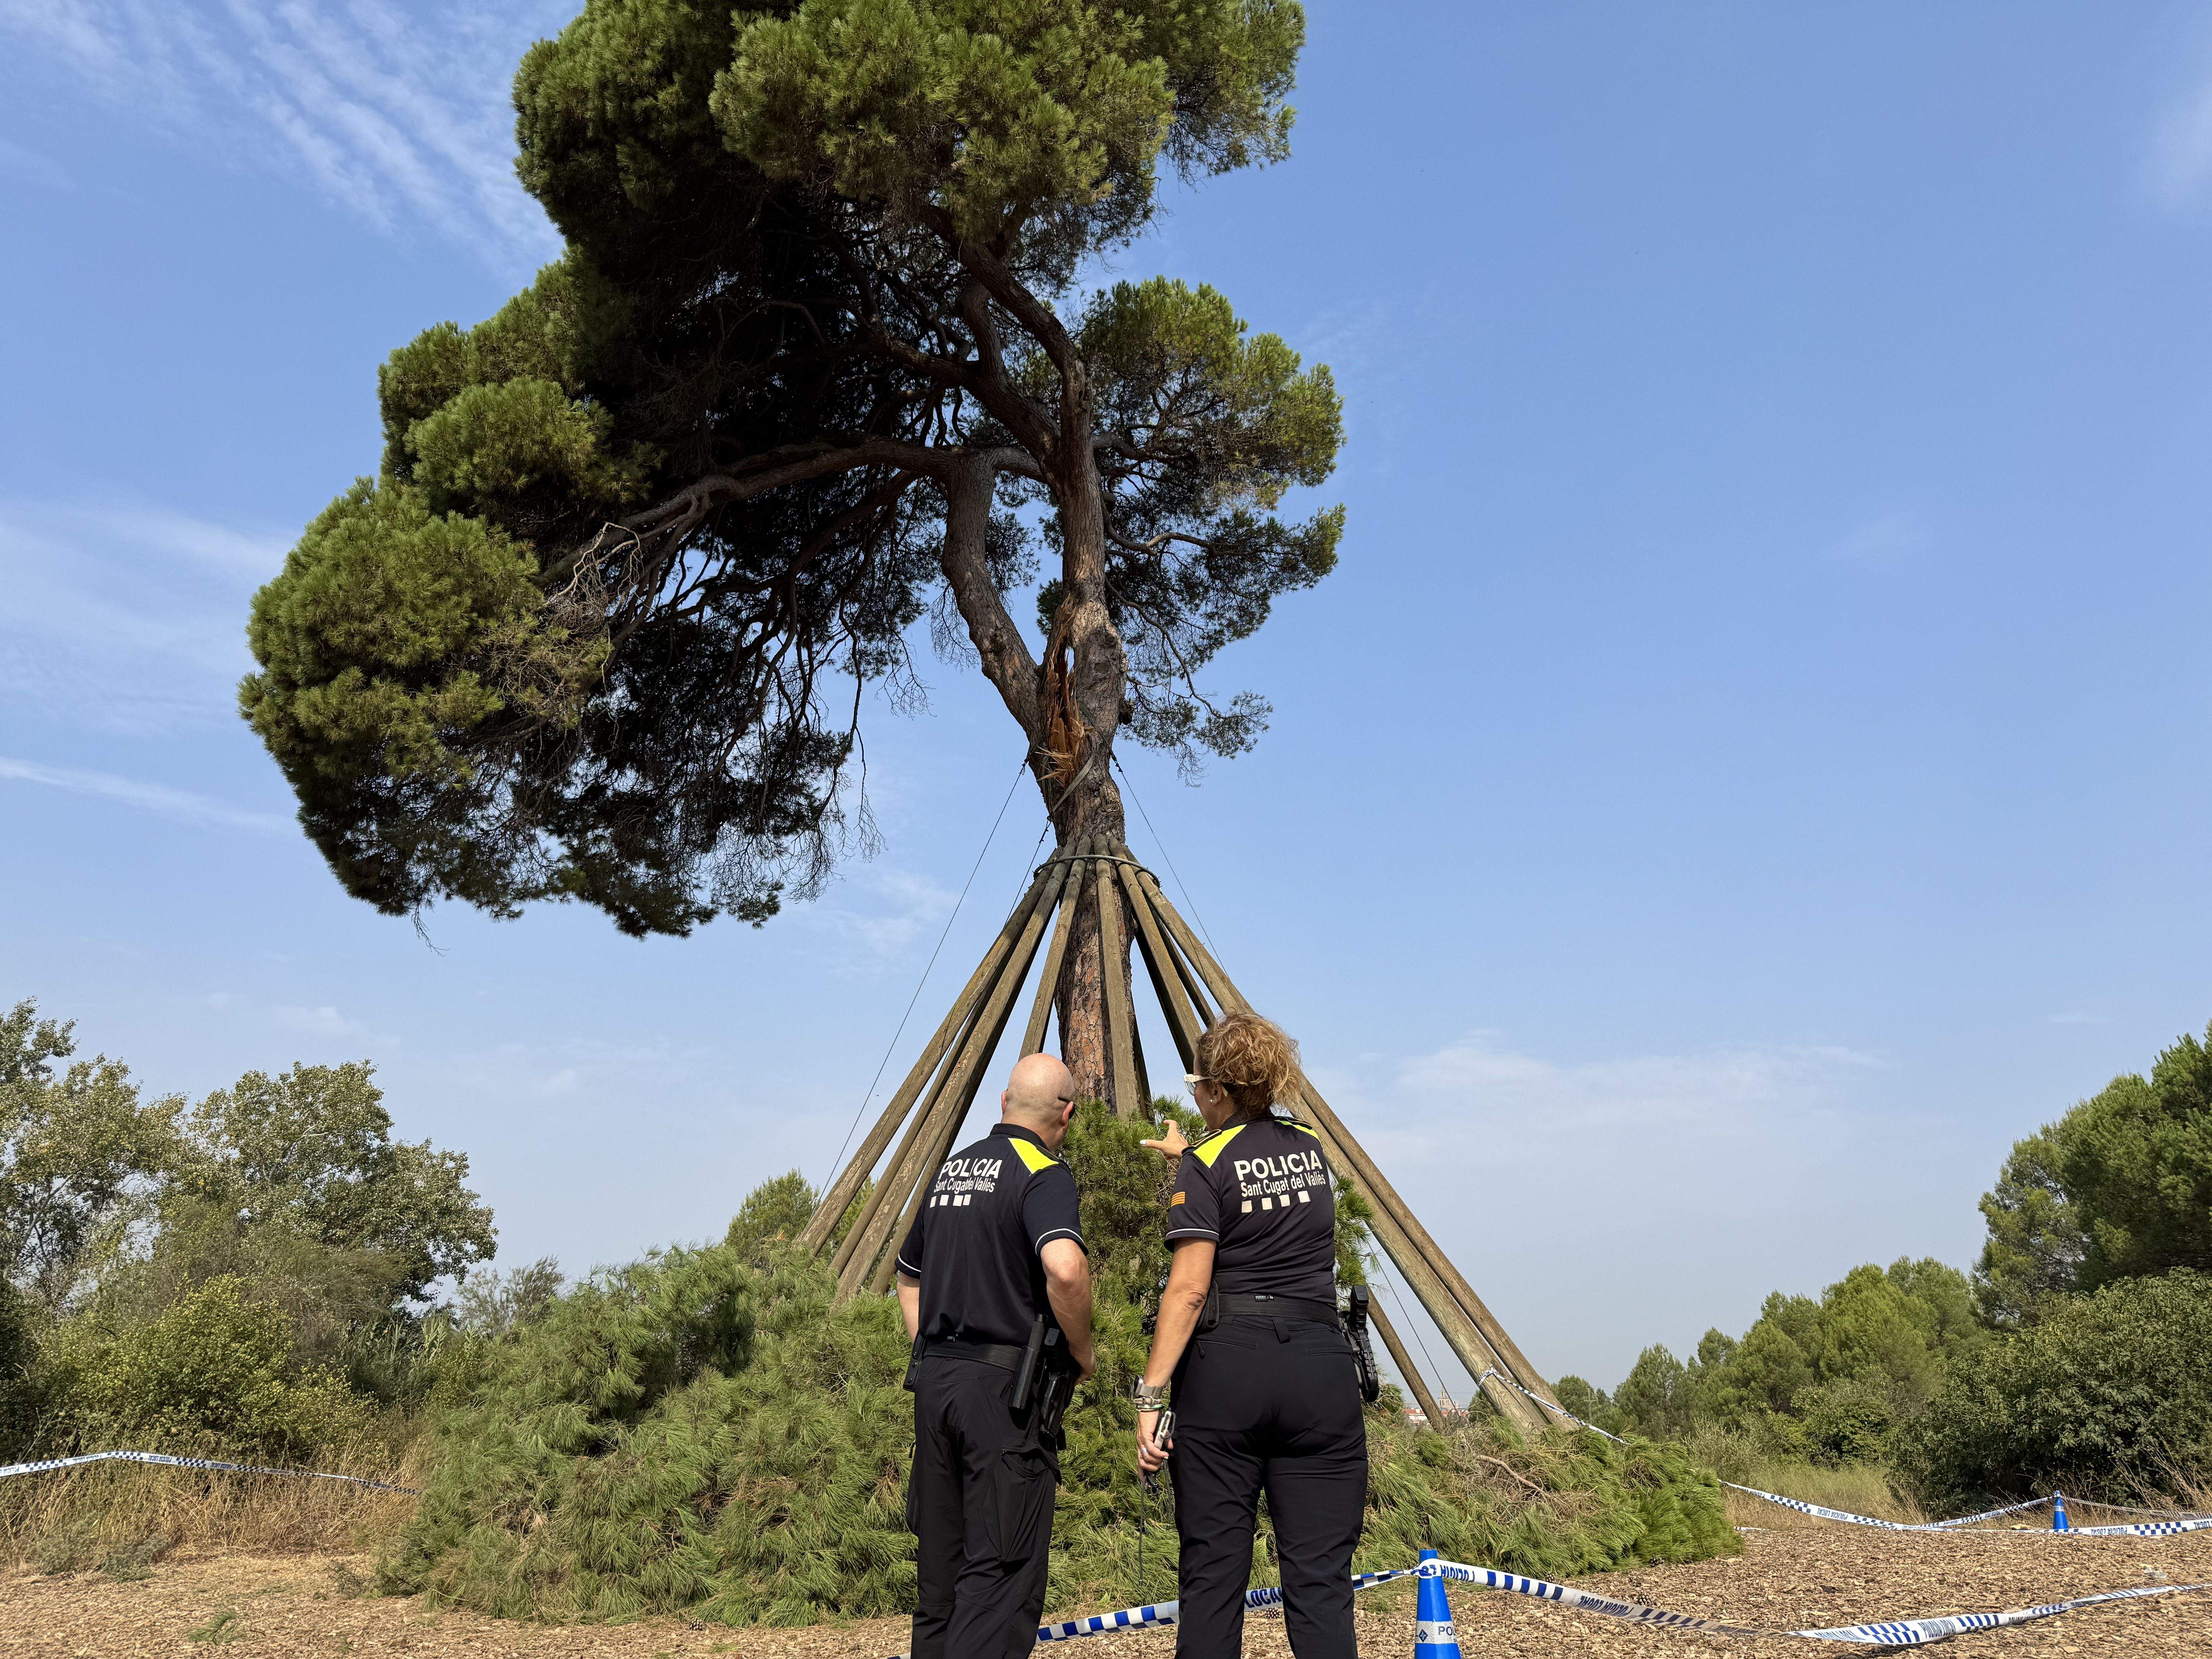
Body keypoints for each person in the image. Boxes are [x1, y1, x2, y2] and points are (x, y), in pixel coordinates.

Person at [1133, 1013, 1367, 1659]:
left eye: (1198, 1088)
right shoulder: (1311, 1149)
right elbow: (1263, 1180)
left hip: (1229, 1369)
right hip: (1320, 1366)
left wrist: (1150, 1398)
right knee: (1321, 1585)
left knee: (1212, 1582)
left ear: (1217, 1091)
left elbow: (1187, 1289)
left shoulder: (1206, 1164)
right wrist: (1197, 1159)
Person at [895, 1051, 1097, 1659]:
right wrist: (1084, 1353)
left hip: (935, 1386)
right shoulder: (1044, 1173)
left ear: (1003, 1104)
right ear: (1066, 1115)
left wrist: (932, 1351)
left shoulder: (953, 1170)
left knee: (942, 1580)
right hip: (1003, 1397)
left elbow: (908, 1276)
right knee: (999, 1577)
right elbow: (1065, 1268)